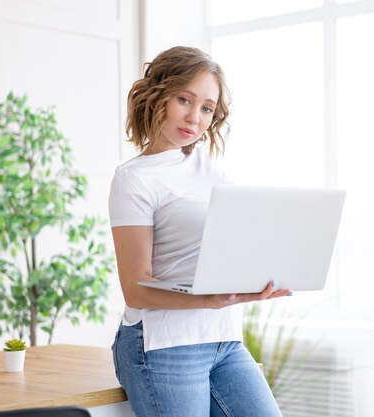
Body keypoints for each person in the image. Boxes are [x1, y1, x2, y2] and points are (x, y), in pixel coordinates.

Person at [109, 46, 290, 417]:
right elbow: (136, 287)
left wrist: (253, 280)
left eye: (207, 108)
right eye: (184, 99)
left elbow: (226, 256)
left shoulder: (217, 175)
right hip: (163, 345)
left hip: (223, 340)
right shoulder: (133, 179)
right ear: (156, 95)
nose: (195, 117)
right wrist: (210, 299)